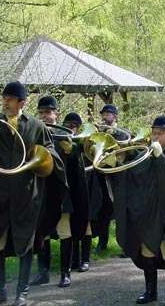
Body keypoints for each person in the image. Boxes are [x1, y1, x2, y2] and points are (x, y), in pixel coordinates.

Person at [0, 81, 65, 306]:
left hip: (26, 195)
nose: (5, 102)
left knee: (25, 243)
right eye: (4, 98)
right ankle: (0, 293)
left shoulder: (36, 126)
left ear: (22, 103)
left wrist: (45, 159)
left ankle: (22, 293)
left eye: (9, 99)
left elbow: (51, 156)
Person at [111, 115, 165, 306]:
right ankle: (150, 291)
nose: (155, 137)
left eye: (160, 134)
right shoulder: (144, 154)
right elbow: (131, 174)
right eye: (153, 133)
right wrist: (118, 163)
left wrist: (160, 156)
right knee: (147, 253)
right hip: (147, 213)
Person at [30, 98, 89, 288]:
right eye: (41, 113)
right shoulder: (34, 133)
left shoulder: (64, 136)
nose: (44, 116)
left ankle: (66, 273)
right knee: (42, 233)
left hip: (61, 192)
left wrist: (72, 152)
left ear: (56, 113)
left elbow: (76, 167)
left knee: (65, 232)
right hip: (41, 193)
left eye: (48, 112)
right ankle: (43, 272)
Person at [91, 104, 128, 253]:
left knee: (121, 212)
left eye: (108, 114)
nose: (105, 117)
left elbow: (125, 152)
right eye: (103, 114)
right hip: (101, 174)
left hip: (118, 176)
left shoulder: (123, 133)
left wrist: (113, 135)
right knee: (103, 211)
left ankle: (125, 246)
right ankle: (102, 243)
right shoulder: (99, 131)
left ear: (115, 116)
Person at [63, 112, 94, 273]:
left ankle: (86, 259)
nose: (70, 129)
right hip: (72, 186)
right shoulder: (63, 140)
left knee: (86, 222)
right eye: (67, 126)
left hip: (88, 186)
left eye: (73, 126)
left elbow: (94, 157)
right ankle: (74, 260)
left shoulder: (86, 141)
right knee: (72, 223)